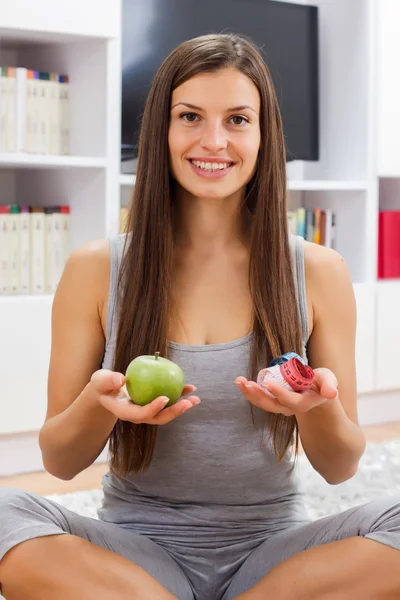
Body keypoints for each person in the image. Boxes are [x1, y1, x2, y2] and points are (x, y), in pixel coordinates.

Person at [0, 32, 399, 600]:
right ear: (161, 130)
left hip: (275, 562)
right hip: (137, 559)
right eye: (190, 116)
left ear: (264, 136)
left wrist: (317, 408)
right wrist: (98, 403)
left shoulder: (317, 271)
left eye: (238, 119)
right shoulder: (97, 269)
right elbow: (59, 462)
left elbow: (340, 468)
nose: (214, 140)